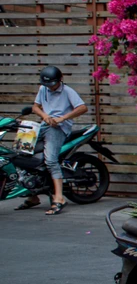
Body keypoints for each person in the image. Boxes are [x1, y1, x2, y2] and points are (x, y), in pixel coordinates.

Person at [16, 66, 88, 215]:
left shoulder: (68, 91)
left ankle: (59, 198)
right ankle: (33, 196)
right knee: (20, 154)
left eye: (52, 84)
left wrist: (62, 118)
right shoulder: (43, 89)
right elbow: (35, 107)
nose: (49, 87)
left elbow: (82, 108)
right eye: (46, 84)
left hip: (59, 128)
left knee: (50, 160)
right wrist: (45, 116)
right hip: (44, 124)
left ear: (59, 80)